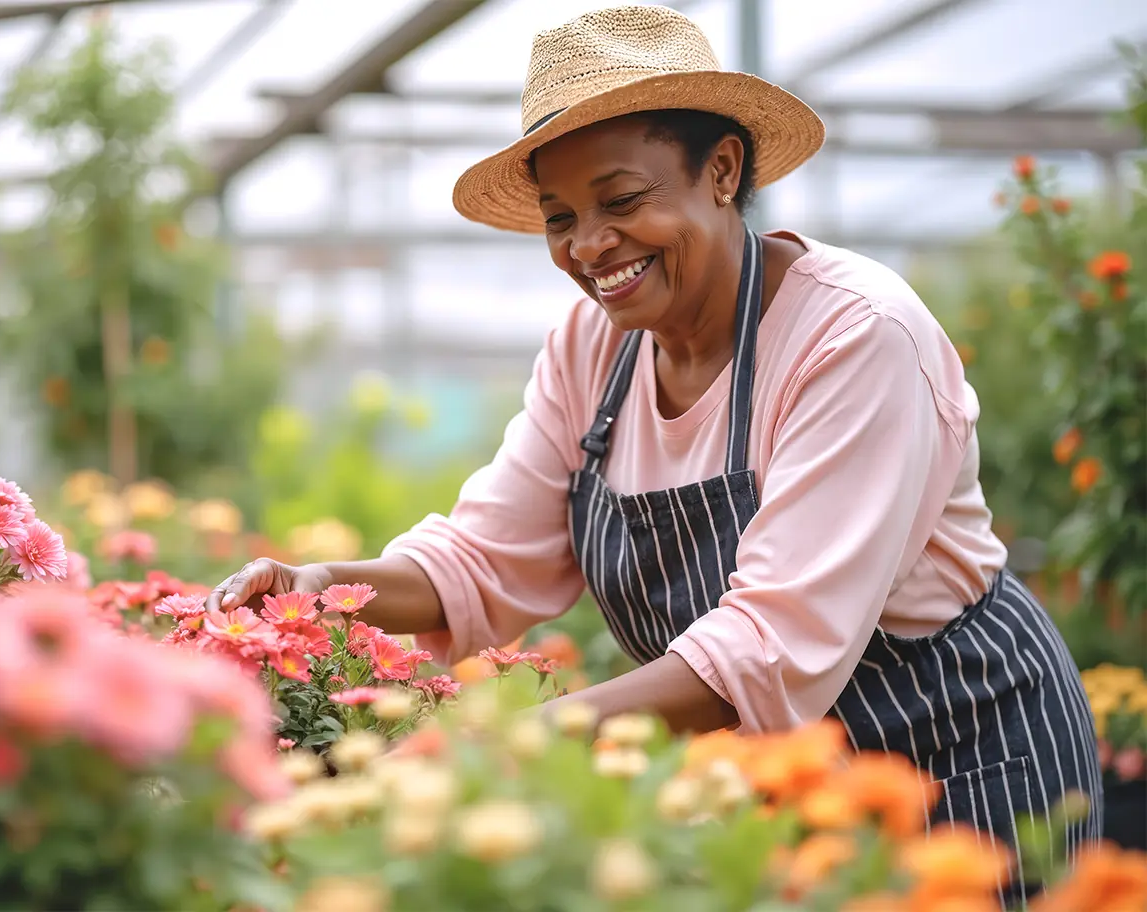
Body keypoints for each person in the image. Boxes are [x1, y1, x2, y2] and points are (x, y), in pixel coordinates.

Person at [209, 4, 1101, 900]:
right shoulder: (591, 350)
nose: (589, 246)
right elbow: (484, 556)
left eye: (624, 200)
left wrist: (514, 741)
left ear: (722, 171)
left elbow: (770, 643)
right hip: (779, 784)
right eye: (561, 217)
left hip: (961, 761)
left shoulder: (854, 337)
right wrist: (319, 586)